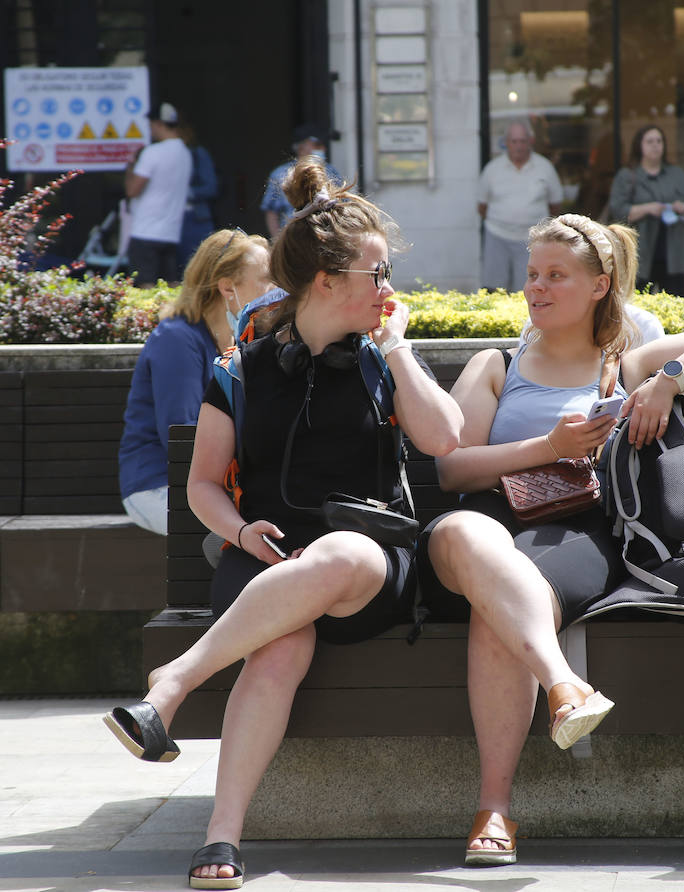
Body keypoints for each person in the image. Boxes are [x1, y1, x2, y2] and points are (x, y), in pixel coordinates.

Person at [103, 157, 463, 890]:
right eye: (378, 273)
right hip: (264, 560)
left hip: (370, 567)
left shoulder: (380, 358)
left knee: (341, 556)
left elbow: (446, 439)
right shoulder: (242, 367)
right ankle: (223, 839)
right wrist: (238, 533)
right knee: (277, 645)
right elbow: (203, 484)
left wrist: (397, 348)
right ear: (327, 281)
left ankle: (170, 685)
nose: (390, 289)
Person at [422, 212, 684, 867]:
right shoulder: (497, 364)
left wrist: (669, 380)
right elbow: (450, 467)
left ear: (599, 286)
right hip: (485, 524)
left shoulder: (624, 364)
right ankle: (564, 686)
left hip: (574, 535)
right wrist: (545, 446)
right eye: (531, 275)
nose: (536, 288)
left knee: (499, 611)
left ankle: (494, 811)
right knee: (468, 537)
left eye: (556, 276)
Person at [118, 229, 272, 535]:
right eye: (267, 279)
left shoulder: (242, 339)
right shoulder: (177, 339)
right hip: (157, 488)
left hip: (207, 486)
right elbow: (182, 435)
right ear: (228, 288)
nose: (277, 289)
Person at [607, 124, 684, 298]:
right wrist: (647, 209)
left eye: (659, 141)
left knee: (676, 305)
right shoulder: (627, 176)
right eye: (649, 141)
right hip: (642, 254)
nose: (655, 145)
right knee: (638, 305)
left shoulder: (675, 174)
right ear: (639, 146)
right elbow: (618, 211)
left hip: (673, 252)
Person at [477, 120, 563, 292]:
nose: (519, 146)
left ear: (530, 142)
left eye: (523, 141)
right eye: (514, 141)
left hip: (533, 240)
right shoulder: (492, 169)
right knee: (494, 290)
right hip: (497, 236)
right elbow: (482, 206)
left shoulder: (545, 167)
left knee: (530, 288)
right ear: (506, 143)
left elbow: (555, 205)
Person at [125, 102, 194, 285]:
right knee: (169, 288)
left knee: (144, 288)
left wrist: (131, 166)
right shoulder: (185, 154)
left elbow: (132, 190)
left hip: (145, 231)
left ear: (158, 124)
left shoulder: (152, 152)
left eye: (150, 126)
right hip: (171, 232)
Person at [260, 124, 342, 239]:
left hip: (324, 240)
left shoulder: (331, 172)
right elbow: (271, 212)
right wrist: (278, 243)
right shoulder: (281, 174)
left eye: (323, 145)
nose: (323, 149)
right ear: (301, 147)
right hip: (292, 239)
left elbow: (342, 207)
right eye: (317, 145)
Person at [176, 121, 221, 268]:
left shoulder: (197, 153)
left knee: (199, 267)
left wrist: (185, 192)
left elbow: (211, 187)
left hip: (195, 219)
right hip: (171, 220)